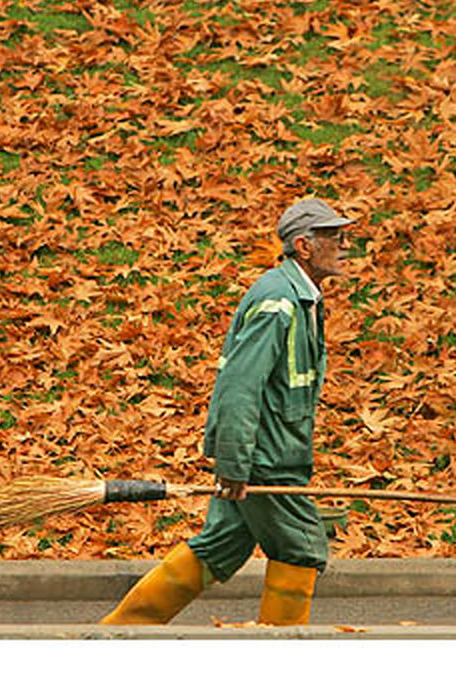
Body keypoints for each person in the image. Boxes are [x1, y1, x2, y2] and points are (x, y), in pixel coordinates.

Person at [100, 197, 354, 626]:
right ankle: (281, 658)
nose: (346, 245)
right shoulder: (279, 302)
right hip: (267, 460)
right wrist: (236, 463)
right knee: (300, 547)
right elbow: (239, 385)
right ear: (303, 246)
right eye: (334, 236)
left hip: (272, 452)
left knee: (220, 545)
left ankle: (119, 636)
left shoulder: (302, 297)